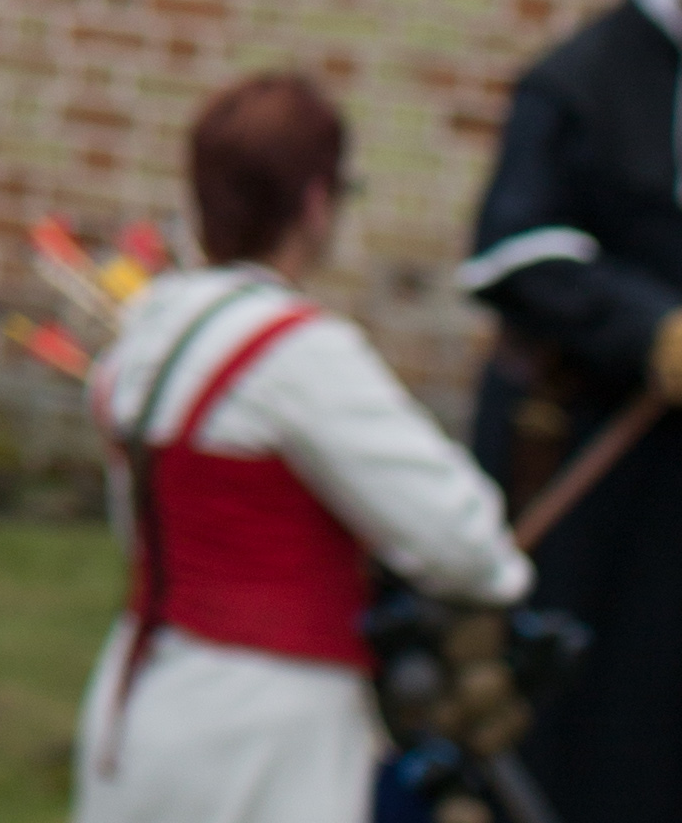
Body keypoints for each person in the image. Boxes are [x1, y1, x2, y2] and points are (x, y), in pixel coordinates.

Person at [75, 73, 526, 823]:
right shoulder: (298, 352)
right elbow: (462, 537)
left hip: (142, 693)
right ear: (316, 201)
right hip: (268, 722)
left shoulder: (143, 335)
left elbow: (140, 532)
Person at [457, 0, 682, 818]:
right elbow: (513, 251)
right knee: (577, 694)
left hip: (678, 467)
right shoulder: (578, 81)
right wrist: (650, 329)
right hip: (580, 440)